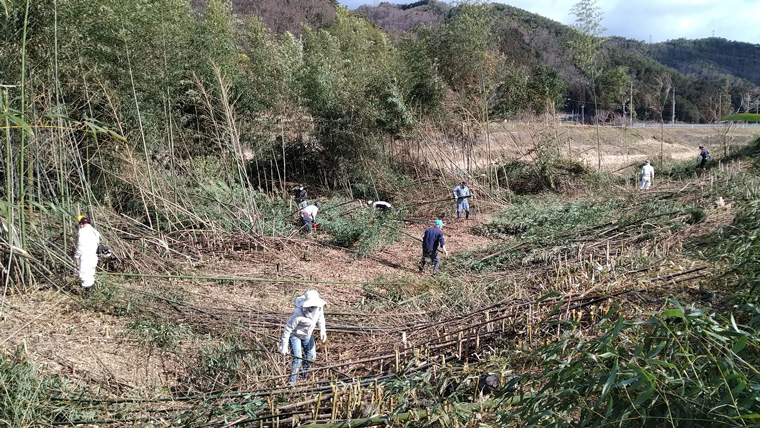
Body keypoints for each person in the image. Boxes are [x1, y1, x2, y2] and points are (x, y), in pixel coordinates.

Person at [279, 290, 327, 386]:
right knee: (298, 358)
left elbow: (321, 319)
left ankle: (303, 377)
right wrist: (284, 346)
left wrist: (323, 330)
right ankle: (292, 381)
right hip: (295, 336)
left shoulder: (319, 308)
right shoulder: (298, 313)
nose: (314, 308)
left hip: (308, 335)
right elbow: (287, 329)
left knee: (311, 356)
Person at [74, 215, 101, 293]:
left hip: (85, 256)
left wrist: (76, 255)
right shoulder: (95, 232)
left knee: (84, 275)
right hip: (93, 256)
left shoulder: (83, 231)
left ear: (81, 224)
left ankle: (88, 295)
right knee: (90, 274)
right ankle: (92, 293)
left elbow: (81, 245)